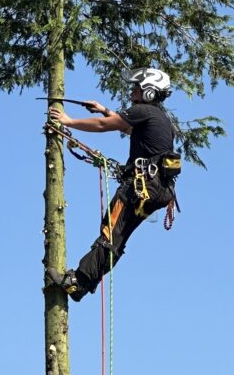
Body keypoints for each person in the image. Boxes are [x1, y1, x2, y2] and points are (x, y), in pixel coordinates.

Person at [45, 67, 180, 301]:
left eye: (137, 88)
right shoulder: (163, 121)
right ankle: (82, 284)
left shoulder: (143, 110)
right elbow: (128, 128)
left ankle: (78, 281)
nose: (132, 92)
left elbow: (102, 126)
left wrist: (68, 121)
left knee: (110, 233)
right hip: (160, 190)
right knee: (117, 238)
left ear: (148, 92)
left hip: (141, 187)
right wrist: (104, 109)